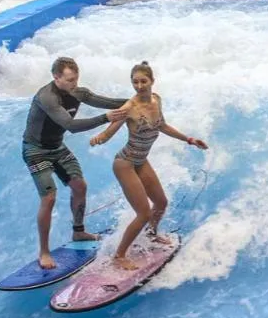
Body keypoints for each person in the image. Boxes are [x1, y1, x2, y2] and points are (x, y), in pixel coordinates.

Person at [89, 61, 208, 270]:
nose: (139, 86)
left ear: (152, 81)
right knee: (143, 213)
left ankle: (151, 235)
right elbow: (109, 132)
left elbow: (162, 125)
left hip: (141, 161)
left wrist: (188, 139)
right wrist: (99, 137)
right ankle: (119, 255)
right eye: (135, 82)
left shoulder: (156, 100)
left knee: (161, 203)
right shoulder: (129, 108)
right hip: (125, 163)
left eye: (143, 81)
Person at [23, 56, 128, 270]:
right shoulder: (47, 97)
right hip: (36, 151)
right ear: (56, 77)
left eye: (76, 79)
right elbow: (70, 125)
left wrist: (138, 99)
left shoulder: (78, 92)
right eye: (70, 80)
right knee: (49, 198)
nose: (74, 84)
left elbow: (108, 102)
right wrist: (105, 118)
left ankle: (78, 231)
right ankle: (44, 251)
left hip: (57, 147)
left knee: (80, 187)